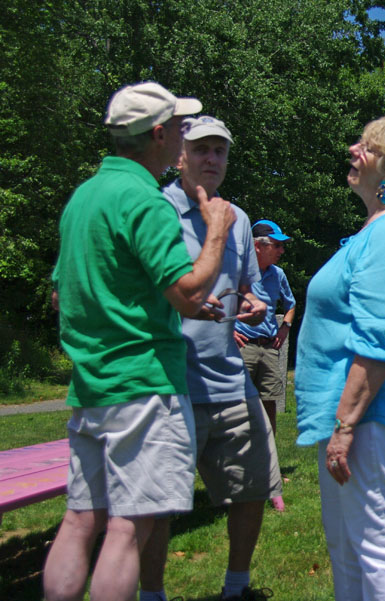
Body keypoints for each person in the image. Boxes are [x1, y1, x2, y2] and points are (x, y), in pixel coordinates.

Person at [44, 82, 235, 601]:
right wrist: (216, 229)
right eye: (179, 125)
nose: (184, 135)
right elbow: (187, 291)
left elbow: (64, 295)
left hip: (91, 386)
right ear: (158, 134)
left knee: (80, 521)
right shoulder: (144, 201)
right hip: (145, 386)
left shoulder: (84, 197)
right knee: (128, 528)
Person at [294, 115, 385, 601]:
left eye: (366, 146)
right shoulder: (372, 232)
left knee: (381, 544)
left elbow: (379, 339)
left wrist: (346, 423)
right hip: (352, 415)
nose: (352, 151)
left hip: (371, 415)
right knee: (348, 547)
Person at [139, 115, 282, 601]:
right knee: (156, 503)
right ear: (179, 154)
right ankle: (153, 593)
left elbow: (250, 287)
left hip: (229, 379)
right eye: (201, 149)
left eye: (220, 151)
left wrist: (253, 301)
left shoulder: (238, 218)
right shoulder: (155, 211)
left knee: (253, 487)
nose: (212, 159)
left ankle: (236, 587)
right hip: (169, 381)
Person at [235, 218, 296, 512]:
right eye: (277, 245)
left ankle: (270, 471)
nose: (282, 250)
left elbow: (291, 303)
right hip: (243, 348)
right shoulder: (236, 270)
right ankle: (243, 473)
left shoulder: (278, 274)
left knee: (269, 406)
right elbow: (219, 302)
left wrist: (285, 327)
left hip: (269, 349)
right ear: (258, 246)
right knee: (240, 411)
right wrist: (227, 329)